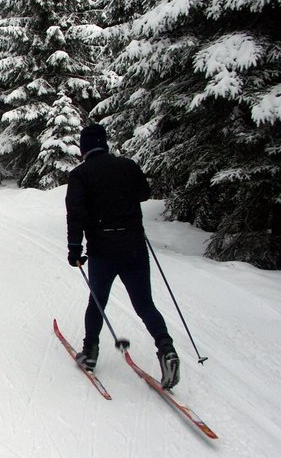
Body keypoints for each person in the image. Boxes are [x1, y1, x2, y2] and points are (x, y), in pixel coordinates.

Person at [65, 123, 180, 389]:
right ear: (105, 144)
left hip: (103, 249)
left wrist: (74, 248)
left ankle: (90, 354)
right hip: (133, 245)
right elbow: (144, 193)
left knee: (97, 301)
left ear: (84, 148)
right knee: (144, 304)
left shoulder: (80, 175)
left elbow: (76, 213)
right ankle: (166, 348)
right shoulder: (127, 166)